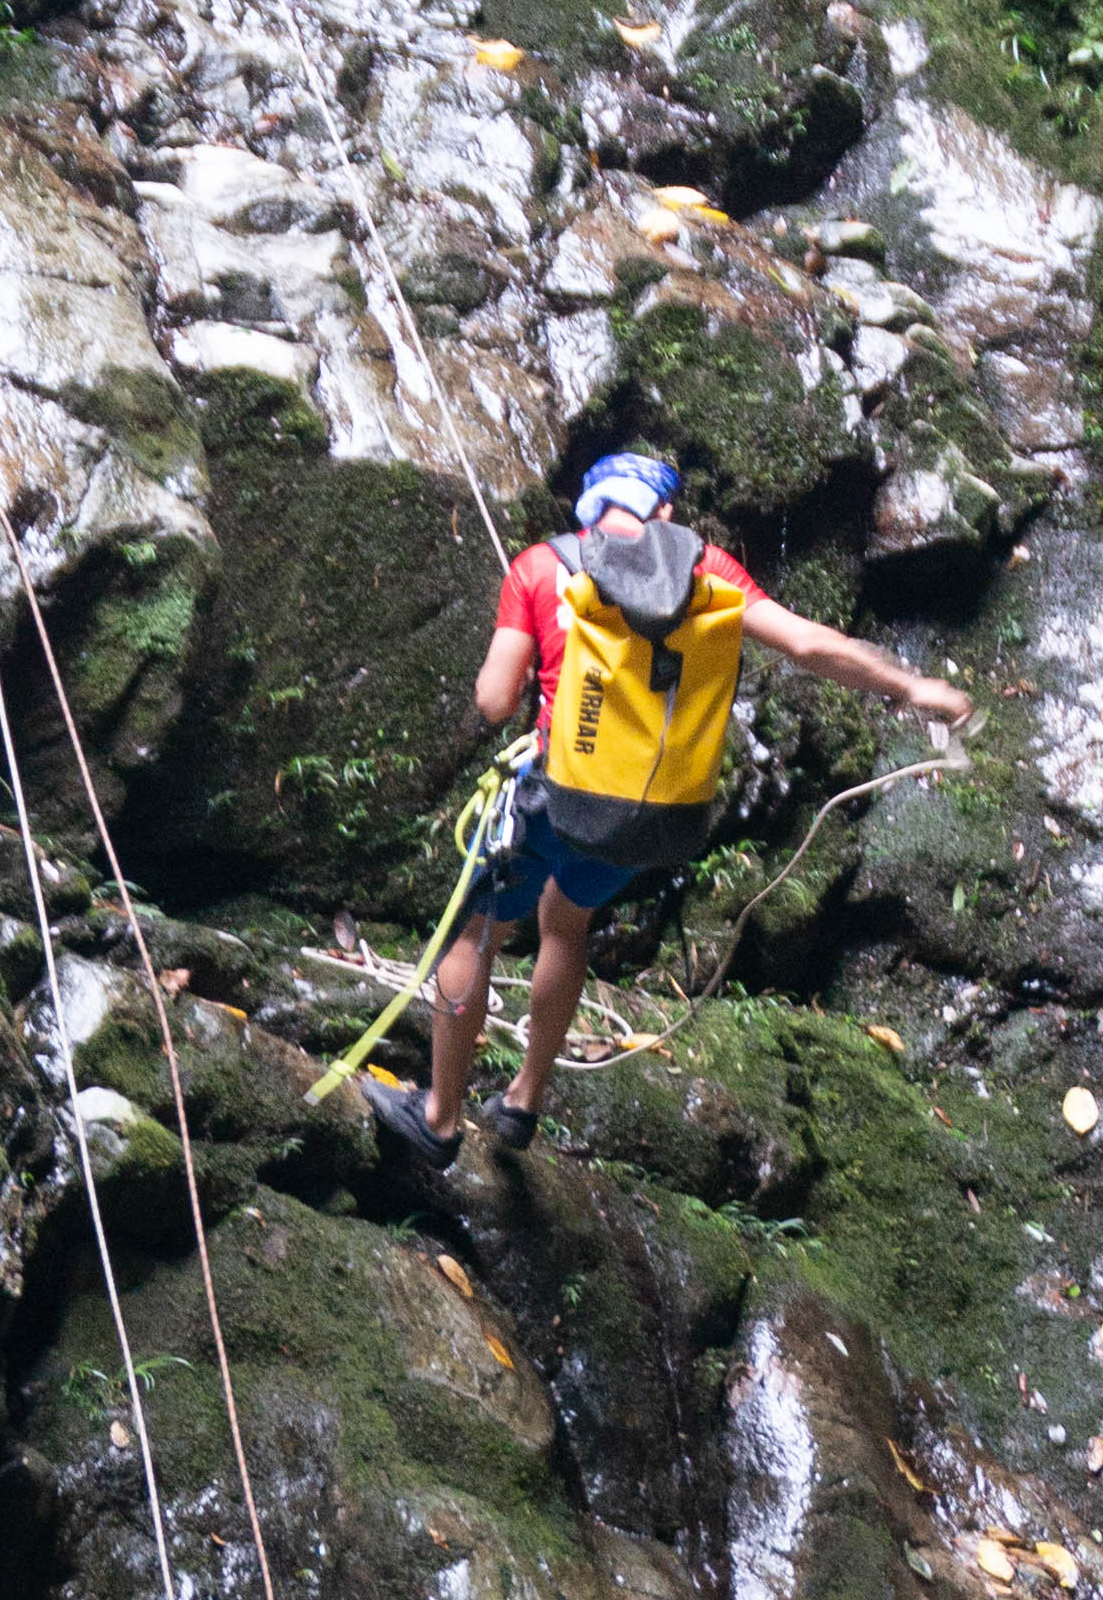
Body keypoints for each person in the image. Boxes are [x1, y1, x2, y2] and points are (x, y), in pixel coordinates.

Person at [365, 451, 974, 1167]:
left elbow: (494, 701)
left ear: (592, 506)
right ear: (664, 513)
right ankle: (523, 1101)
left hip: (561, 798)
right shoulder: (708, 571)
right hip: (654, 817)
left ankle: (438, 1121)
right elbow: (810, 644)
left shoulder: (540, 567)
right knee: (566, 920)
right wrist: (911, 688)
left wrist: (530, 664)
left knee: (475, 934)